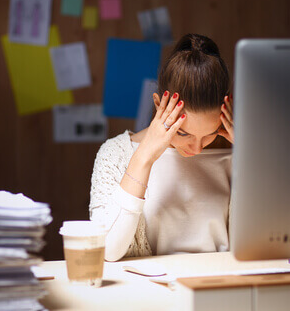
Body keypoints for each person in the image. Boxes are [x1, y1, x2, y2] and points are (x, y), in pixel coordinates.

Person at [89, 34, 234, 261]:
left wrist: (250, 155)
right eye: (183, 132)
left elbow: (275, 242)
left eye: (209, 134)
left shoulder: (235, 153)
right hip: (148, 292)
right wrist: (143, 157)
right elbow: (107, 250)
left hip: (222, 286)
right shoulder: (115, 153)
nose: (196, 148)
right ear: (159, 105)